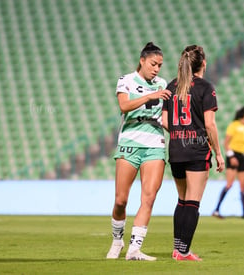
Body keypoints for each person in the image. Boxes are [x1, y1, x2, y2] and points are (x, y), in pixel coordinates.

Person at [106, 42, 171, 260]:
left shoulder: (161, 84)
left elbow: (163, 118)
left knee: (149, 197)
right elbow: (124, 106)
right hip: (130, 143)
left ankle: (134, 249)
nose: (156, 69)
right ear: (142, 60)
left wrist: (185, 135)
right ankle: (117, 240)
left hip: (154, 145)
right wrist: (149, 97)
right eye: (153, 64)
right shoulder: (126, 80)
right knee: (120, 201)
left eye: (160, 65)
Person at [162, 45, 225, 261]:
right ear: (203, 64)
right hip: (197, 149)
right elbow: (210, 125)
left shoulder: (171, 86)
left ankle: (177, 248)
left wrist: (180, 133)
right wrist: (218, 152)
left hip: (176, 148)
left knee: (182, 199)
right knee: (193, 201)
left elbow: (164, 121)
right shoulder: (206, 87)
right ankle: (183, 251)